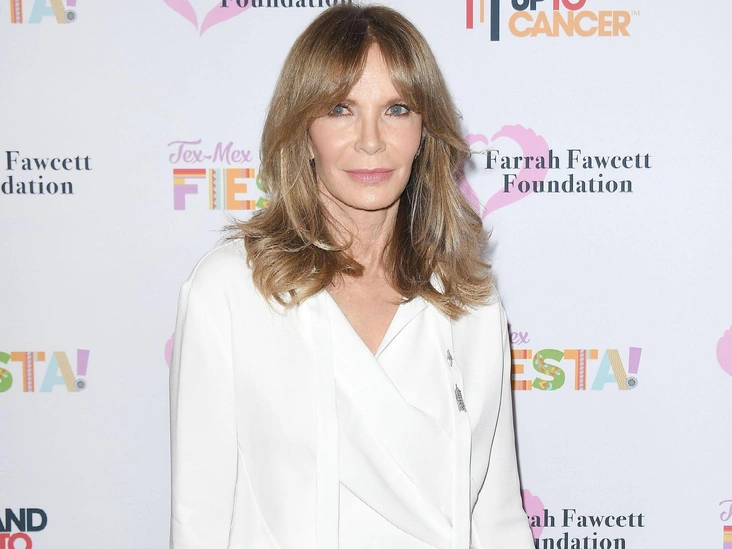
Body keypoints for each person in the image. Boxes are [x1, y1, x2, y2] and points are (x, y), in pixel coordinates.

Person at [169, 4, 534, 548]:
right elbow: (198, 523)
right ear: (303, 130)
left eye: (396, 109)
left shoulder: (467, 296)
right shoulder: (231, 289)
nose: (370, 140)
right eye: (341, 108)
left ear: (424, 131)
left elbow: (498, 519)